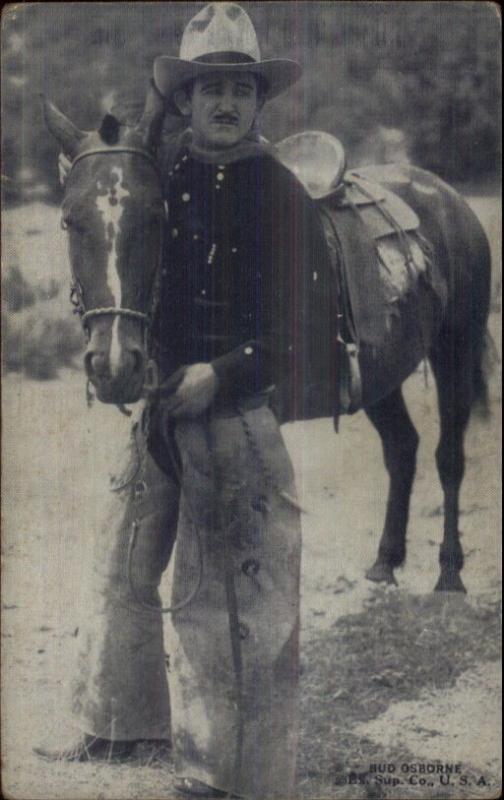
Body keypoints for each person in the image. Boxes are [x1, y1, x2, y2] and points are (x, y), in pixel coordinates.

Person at [36, 4, 335, 797]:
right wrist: (129, 351)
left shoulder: (280, 193)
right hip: (165, 403)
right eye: (209, 90)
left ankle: (229, 770)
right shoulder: (162, 180)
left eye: (239, 89)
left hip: (235, 413)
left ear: (258, 102)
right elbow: (132, 270)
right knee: (122, 561)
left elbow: (305, 330)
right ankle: (119, 726)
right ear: (188, 102)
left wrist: (223, 375)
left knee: (234, 596)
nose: (225, 104)